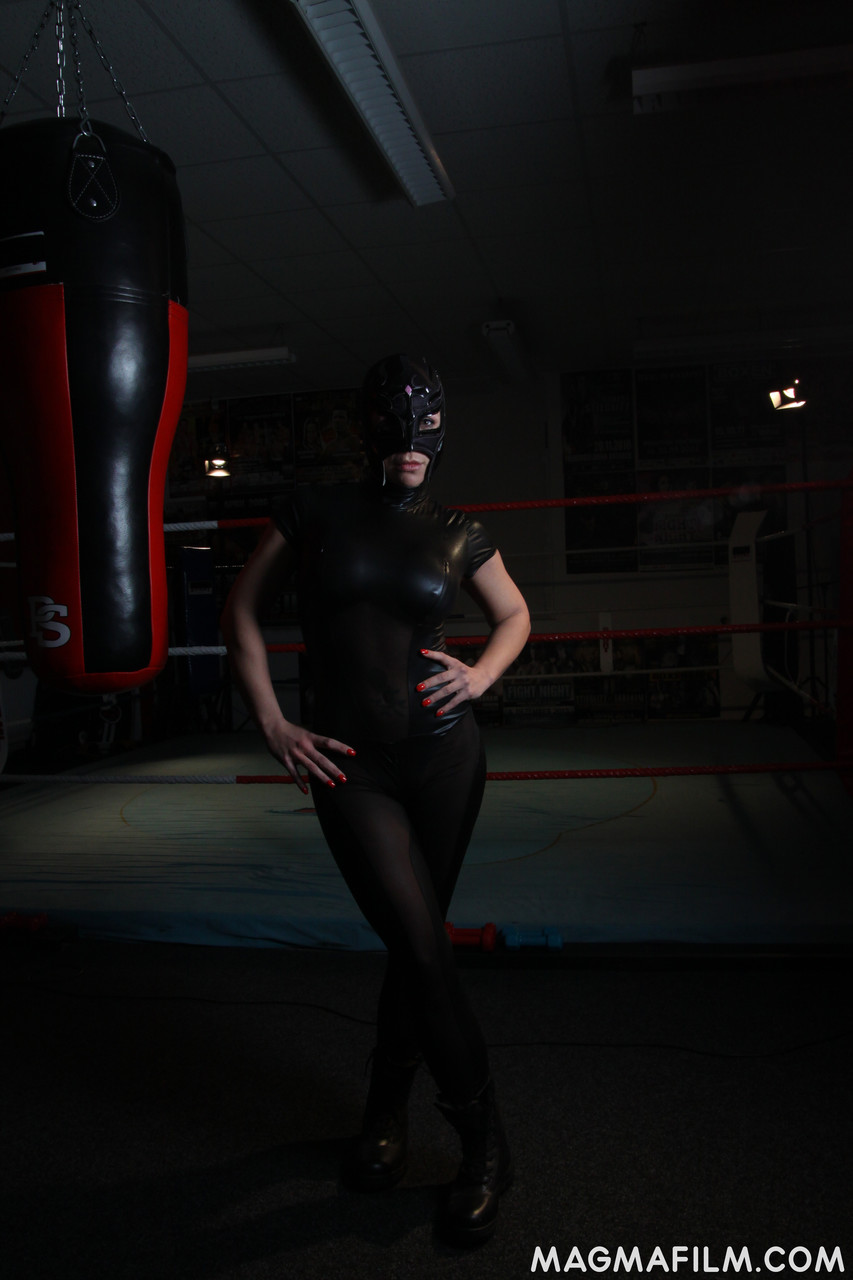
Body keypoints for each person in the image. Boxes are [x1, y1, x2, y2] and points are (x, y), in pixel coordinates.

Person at [221, 354, 530, 1247]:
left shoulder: (458, 529)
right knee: (421, 944)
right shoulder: (313, 512)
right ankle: (485, 1145)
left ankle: (386, 1112)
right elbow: (240, 609)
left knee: (415, 944)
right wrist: (272, 722)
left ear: (441, 432)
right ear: (368, 430)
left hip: (443, 758)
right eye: (395, 428)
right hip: (349, 766)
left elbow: (514, 616)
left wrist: (481, 676)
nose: (410, 445)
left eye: (425, 428)